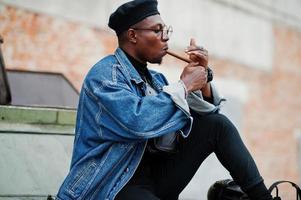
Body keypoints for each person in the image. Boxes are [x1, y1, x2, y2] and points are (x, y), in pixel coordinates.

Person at [56, 0, 273, 199]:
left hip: (156, 177)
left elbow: (198, 117)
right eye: (157, 30)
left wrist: (202, 77)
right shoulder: (104, 76)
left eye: (166, 30)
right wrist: (185, 86)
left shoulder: (156, 80)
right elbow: (137, 121)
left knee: (217, 125)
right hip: (112, 183)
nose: (166, 37)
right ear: (132, 35)